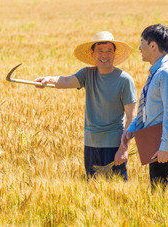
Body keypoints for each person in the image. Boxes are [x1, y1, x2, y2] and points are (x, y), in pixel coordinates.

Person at [34, 31, 137, 180]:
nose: (104, 55)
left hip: (114, 146)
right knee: (93, 189)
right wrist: (48, 79)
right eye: (100, 51)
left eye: (109, 51)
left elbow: (132, 116)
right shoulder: (87, 74)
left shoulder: (125, 80)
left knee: (116, 194)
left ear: (114, 53)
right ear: (92, 53)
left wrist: (123, 148)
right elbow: (67, 81)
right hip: (91, 144)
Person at [122, 24, 168, 187]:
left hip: (167, 153)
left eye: (142, 42)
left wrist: (166, 147)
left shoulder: (166, 74)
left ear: (153, 46)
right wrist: (132, 129)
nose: (139, 47)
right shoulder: (157, 73)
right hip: (158, 149)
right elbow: (149, 110)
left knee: (167, 207)